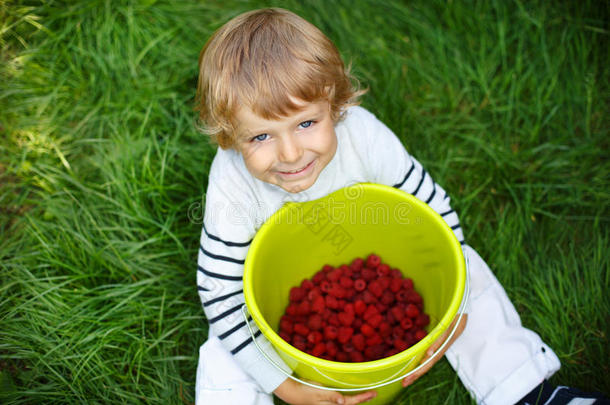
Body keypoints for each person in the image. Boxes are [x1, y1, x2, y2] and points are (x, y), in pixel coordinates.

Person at [193, 8, 608, 405]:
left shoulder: (364, 137)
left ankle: (525, 389)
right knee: (224, 347)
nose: (289, 153)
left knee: (470, 273)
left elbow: (434, 209)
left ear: (336, 107)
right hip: (270, 298)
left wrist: (454, 315)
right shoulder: (233, 183)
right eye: (260, 137)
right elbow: (220, 289)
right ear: (229, 138)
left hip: (378, 255)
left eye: (306, 123)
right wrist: (283, 383)